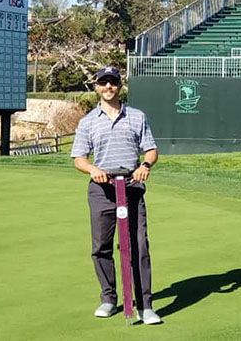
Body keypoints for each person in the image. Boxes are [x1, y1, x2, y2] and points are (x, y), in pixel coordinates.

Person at [70, 66, 161, 325]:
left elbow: (151, 150)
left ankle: (145, 306)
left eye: (113, 83)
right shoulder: (88, 121)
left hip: (131, 188)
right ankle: (109, 298)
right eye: (103, 83)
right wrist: (92, 169)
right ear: (96, 87)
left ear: (119, 86)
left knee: (138, 246)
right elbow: (79, 158)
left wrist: (145, 166)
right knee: (101, 247)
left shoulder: (137, 116)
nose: (108, 87)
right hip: (101, 190)